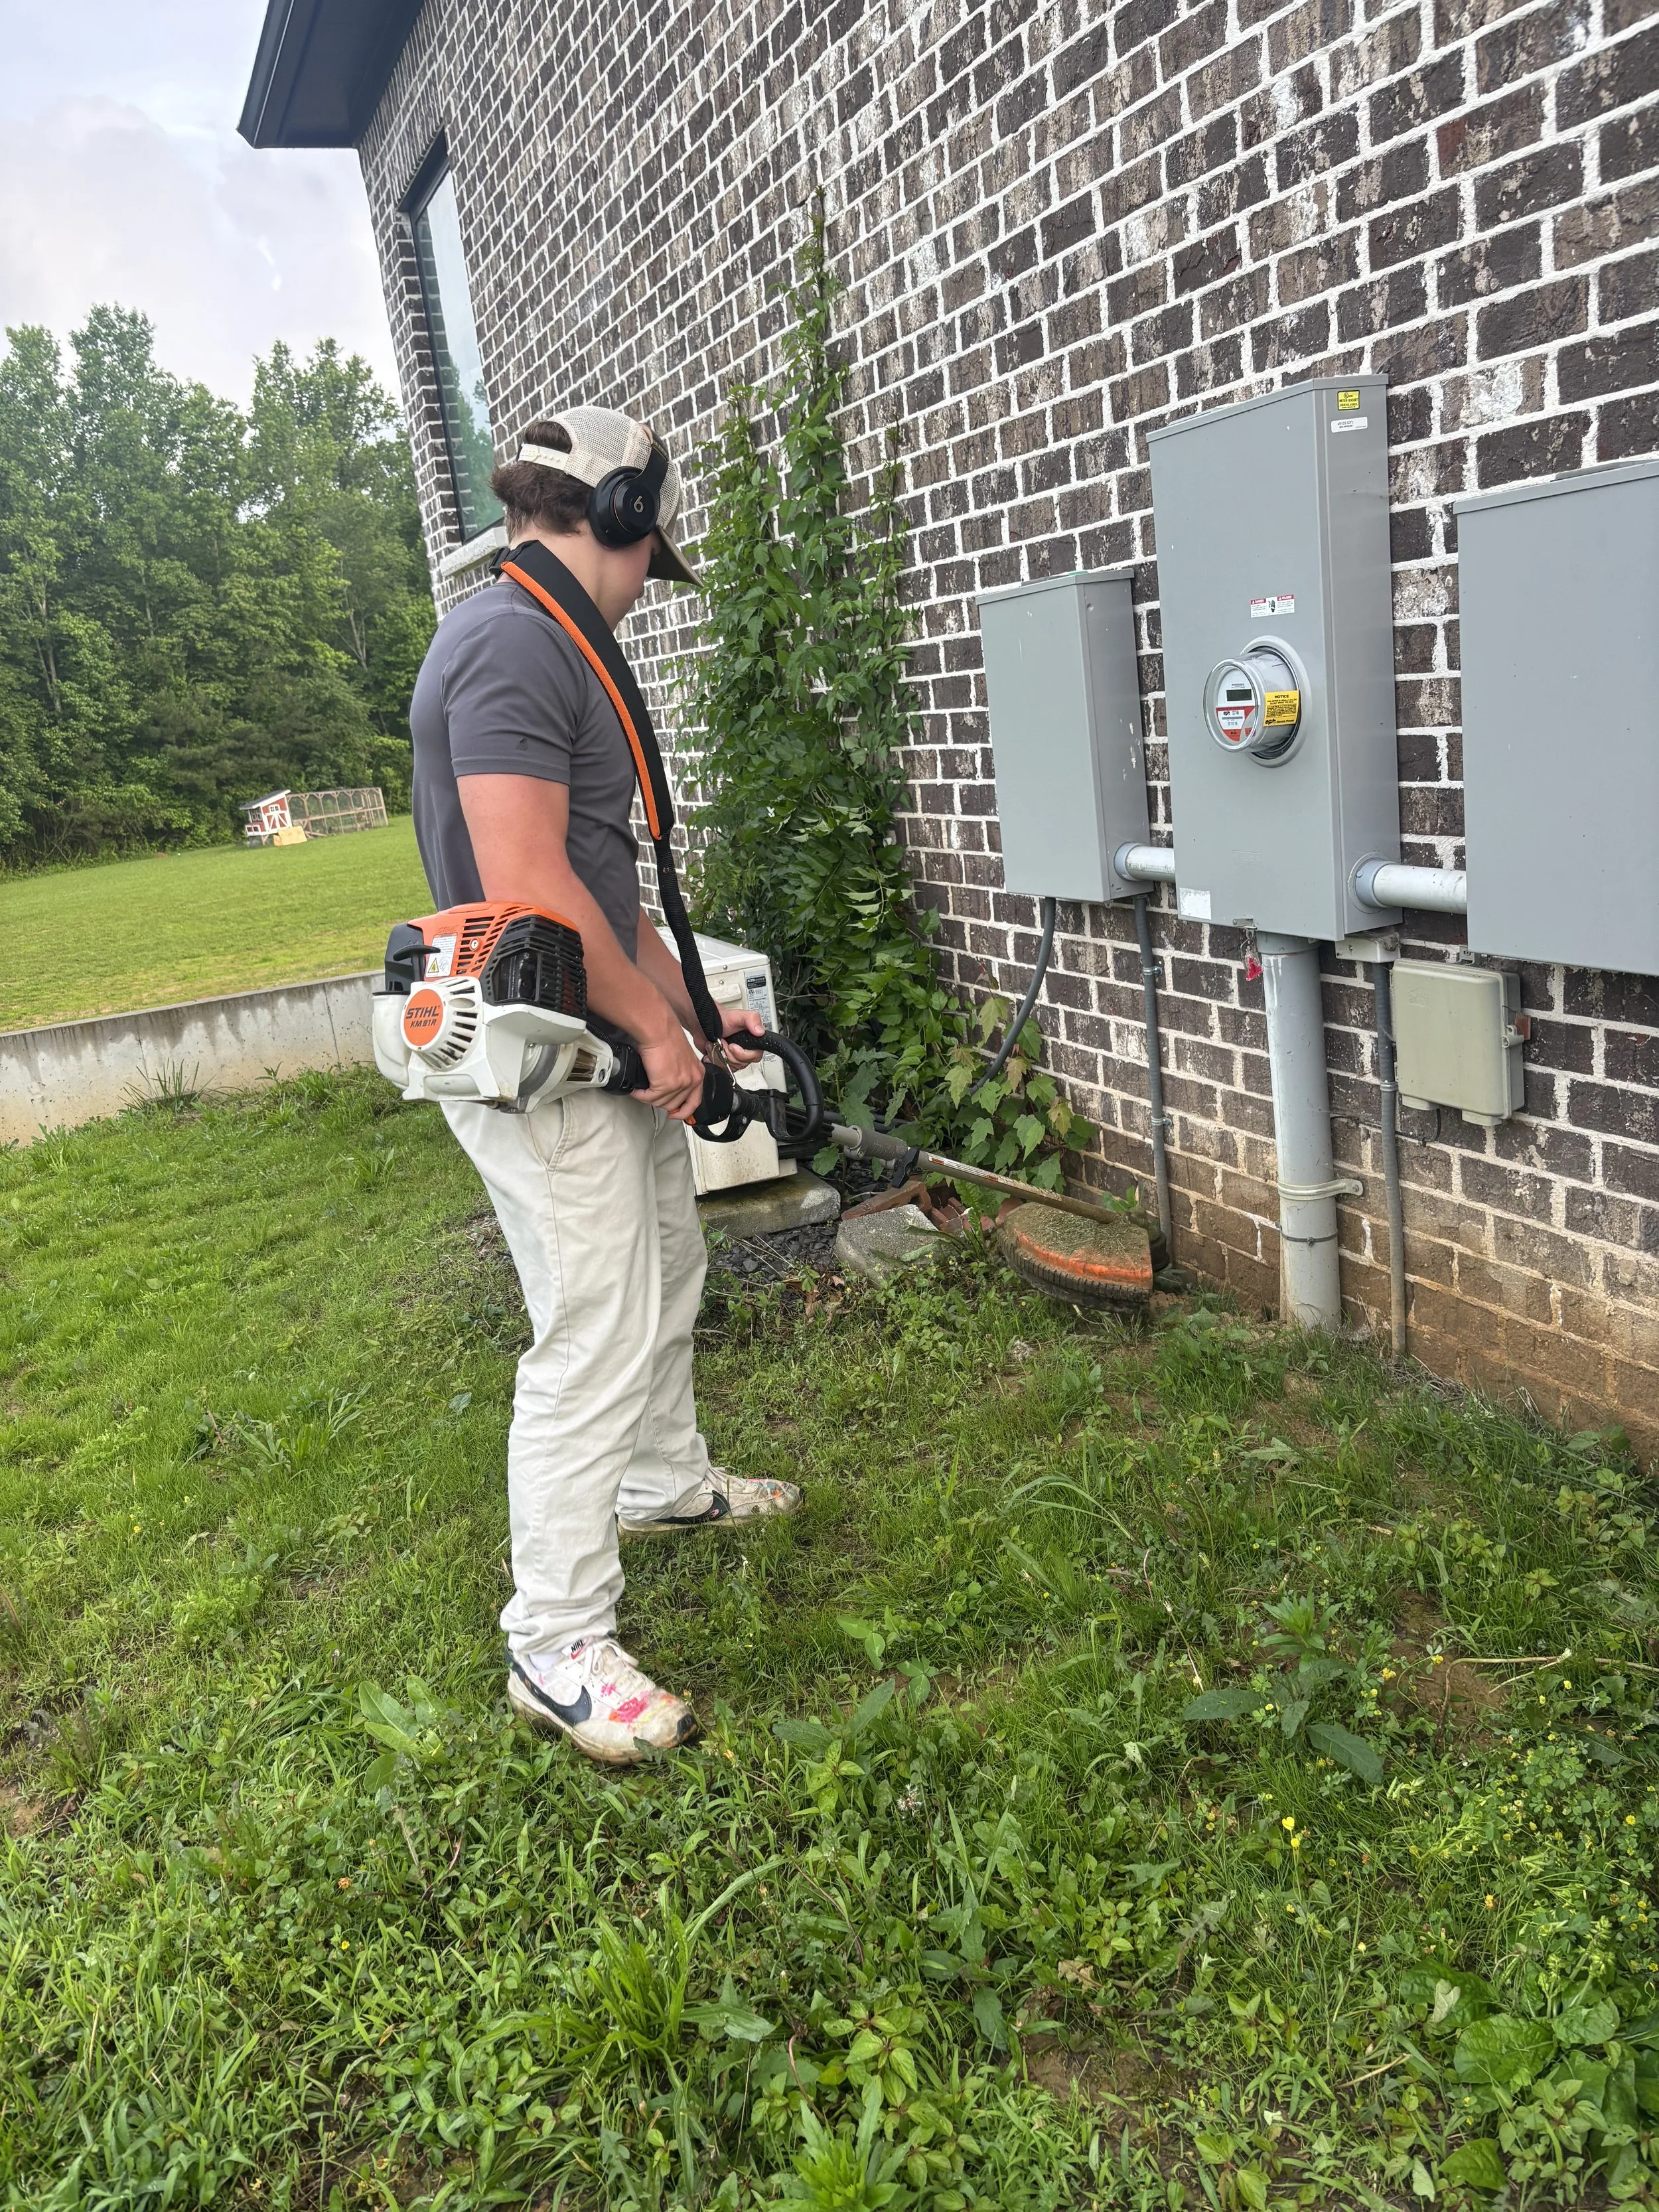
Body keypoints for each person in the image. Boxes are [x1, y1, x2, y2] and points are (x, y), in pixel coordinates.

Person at [407, 407, 802, 1766]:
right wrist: (654, 1041)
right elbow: (527, 879)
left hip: (583, 1020)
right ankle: (556, 1640)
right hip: (540, 1044)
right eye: (648, 555)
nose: (645, 589)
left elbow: (604, 890)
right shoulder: (515, 642)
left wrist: (694, 1021)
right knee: (589, 1323)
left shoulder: (542, 638)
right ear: (620, 515)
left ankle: (661, 1481)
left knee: (665, 1258)